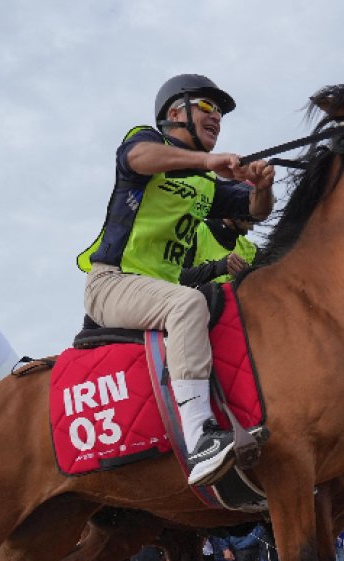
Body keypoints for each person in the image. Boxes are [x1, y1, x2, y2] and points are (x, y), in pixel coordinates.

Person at [76, 74, 275, 486]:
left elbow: (256, 212)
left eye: (219, 112)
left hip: (159, 291)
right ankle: (200, 439)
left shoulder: (207, 182)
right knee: (188, 304)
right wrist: (207, 162)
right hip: (112, 283)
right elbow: (136, 159)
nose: (217, 118)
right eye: (207, 107)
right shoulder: (146, 142)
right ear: (174, 113)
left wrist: (261, 187)